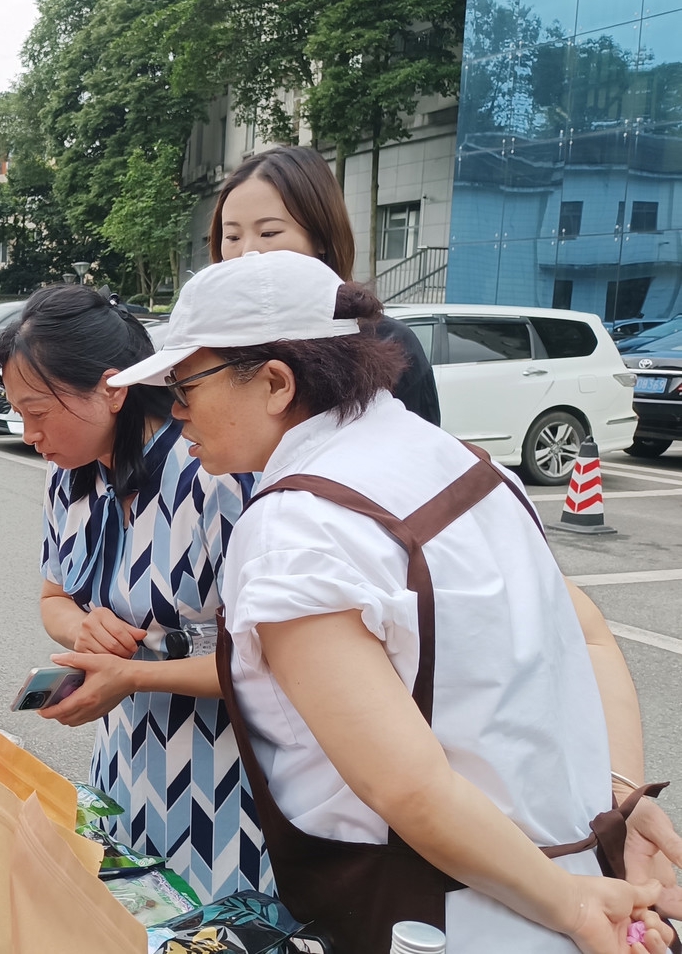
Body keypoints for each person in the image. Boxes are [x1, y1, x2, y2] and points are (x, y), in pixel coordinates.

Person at [107, 249, 677, 953]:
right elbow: (586, 634)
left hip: (441, 915)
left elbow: (406, 788)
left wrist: (575, 909)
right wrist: (615, 802)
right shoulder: (468, 463)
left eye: (185, 383)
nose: (174, 410)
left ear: (277, 383)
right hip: (571, 881)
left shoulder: (296, 527)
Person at [0, 285, 269, 901]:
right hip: (124, 754)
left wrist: (133, 676)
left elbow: (270, 663)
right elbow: (54, 599)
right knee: (128, 913)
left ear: (112, 390)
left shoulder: (214, 472)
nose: (30, 432)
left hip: (225, 771)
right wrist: (81, 630)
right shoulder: (69, 474)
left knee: (214, 923)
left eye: (39, 411)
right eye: (19, 413)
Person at [211, 145, 442, 426]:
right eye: (232, 237)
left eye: (268, 232)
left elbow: (418, 458)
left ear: (321, 237)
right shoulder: (210, 341)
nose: (248, 252)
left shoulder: (388, 346)